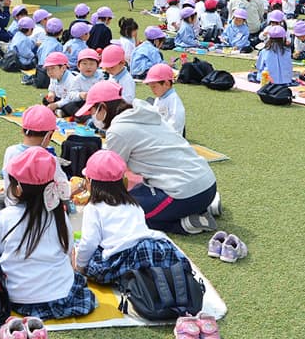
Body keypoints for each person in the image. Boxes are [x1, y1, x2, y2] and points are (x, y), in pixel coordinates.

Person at [76, 81, 219, 235]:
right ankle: (205, 207)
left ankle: (186, 224)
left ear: (102, 107)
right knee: (136, 191)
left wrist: (87, 186)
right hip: (208, 184)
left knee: (124, 212)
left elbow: (109, 173)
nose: (92, 117)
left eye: (92, 111)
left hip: (185, 192)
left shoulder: (118, 130)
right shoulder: (144, 112)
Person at [0, 147, 96, 319]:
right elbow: (68, 249)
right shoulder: (59, 216)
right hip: (61, 294)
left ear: (18, 188)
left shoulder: (6, 216)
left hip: (19, 297)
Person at [75, 150, 190, 284]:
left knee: (92, 264)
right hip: (152, 247)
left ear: (91, 182)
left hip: (123, 257)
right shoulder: (133, 204)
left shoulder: (94, 207)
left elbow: (89, 242)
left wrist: (80, 266)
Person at [0, 105, 68, 217]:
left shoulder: (10, 152)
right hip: (40, 211)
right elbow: (64, 190)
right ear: (49, 135)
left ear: (22, 130)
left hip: (13, 206)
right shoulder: (49, 159)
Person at [143, 63, 186, 136]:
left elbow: (176, 123)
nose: (152, 90)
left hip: (169, 139)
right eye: (151, 87)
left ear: (166, 83)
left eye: (154, 87)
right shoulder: (159, 97)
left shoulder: (173, 100)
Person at [42, 52, 78, 116]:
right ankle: (59, 111)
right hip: (60, 98)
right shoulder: (53, 76)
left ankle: (61, 111)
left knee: (70, 107)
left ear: (63, 68)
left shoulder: (71, 80)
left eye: (53, 68)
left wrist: (56, 105)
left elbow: (69, 98)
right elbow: (52, 88)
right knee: (45, 100)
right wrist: (51, 94)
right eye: (48, 69)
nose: (50, 72)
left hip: (70, 100)